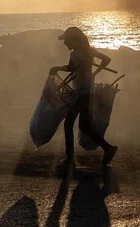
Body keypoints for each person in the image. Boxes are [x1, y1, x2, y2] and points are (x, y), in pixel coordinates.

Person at [48, 27, 118, 167]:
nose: (65, 43)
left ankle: (69, 160)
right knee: (84, 125)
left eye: (66, 40)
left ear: (73, 40)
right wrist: (95, 72)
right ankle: (108, 148)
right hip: (88, 92)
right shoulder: (88, 51)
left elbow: (71, 68)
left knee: (68, 124)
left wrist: (57, 68)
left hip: (80, 94)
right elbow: (106, 59)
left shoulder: (75, 55)